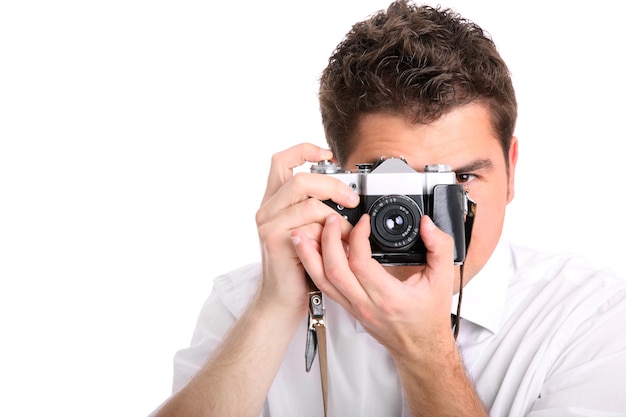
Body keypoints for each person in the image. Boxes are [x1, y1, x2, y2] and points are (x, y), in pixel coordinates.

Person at [150, 1, 626, 416]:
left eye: (459, 180)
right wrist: (275, 308)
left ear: (511, 170)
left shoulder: (588, 317)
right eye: (392, 184)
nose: (419, 223)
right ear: (335, 178)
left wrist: (426, 351)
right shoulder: (249, 300)